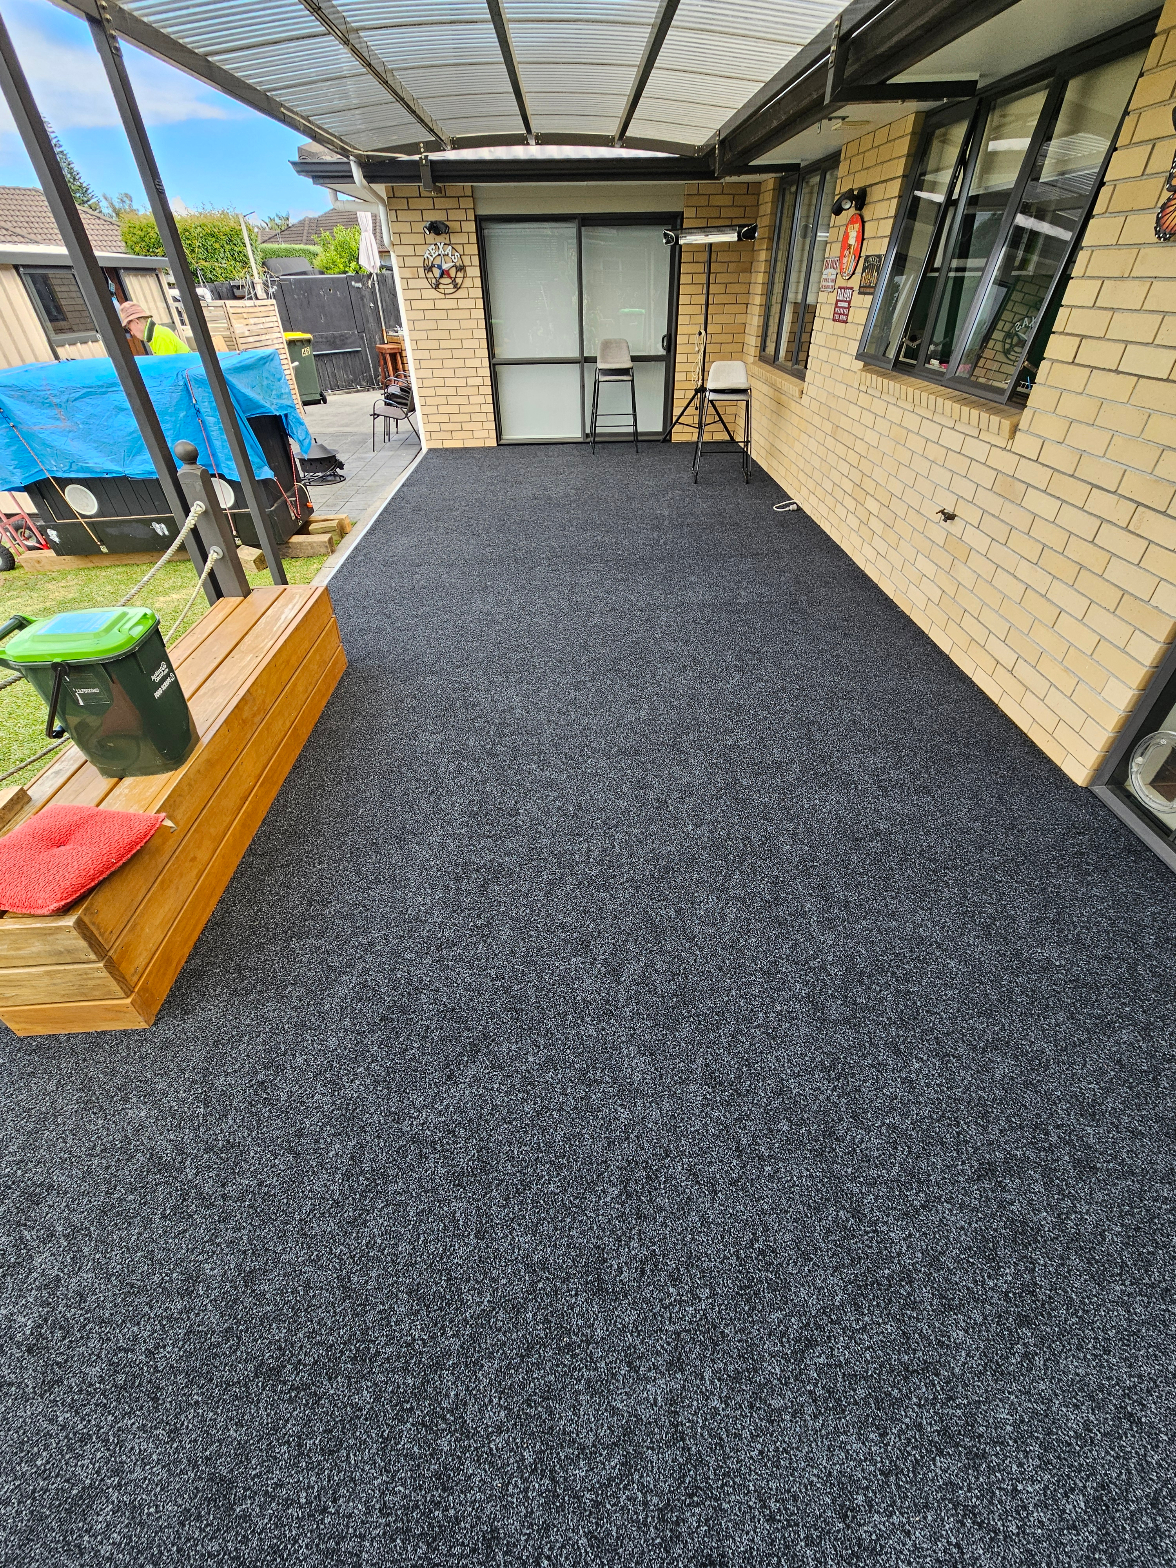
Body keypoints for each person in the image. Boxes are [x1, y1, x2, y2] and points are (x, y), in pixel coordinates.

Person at [118, 300, 189, 355]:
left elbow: (167, 367)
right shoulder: (155, 334)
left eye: (129, 328)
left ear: (136, 322)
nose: (131, 333)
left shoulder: (159, 336)